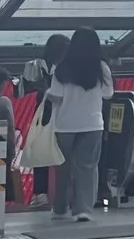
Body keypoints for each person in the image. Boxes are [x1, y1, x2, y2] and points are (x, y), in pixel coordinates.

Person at [45, 29, 113, 222]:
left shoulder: (61, 67)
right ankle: (83, 209)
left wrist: (48, 94)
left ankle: (60, 208)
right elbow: (108, 94)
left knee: (63, 167)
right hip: (92, 123)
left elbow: (57, 96)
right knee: (87, 166)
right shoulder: (101, 67)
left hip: (65, 125)